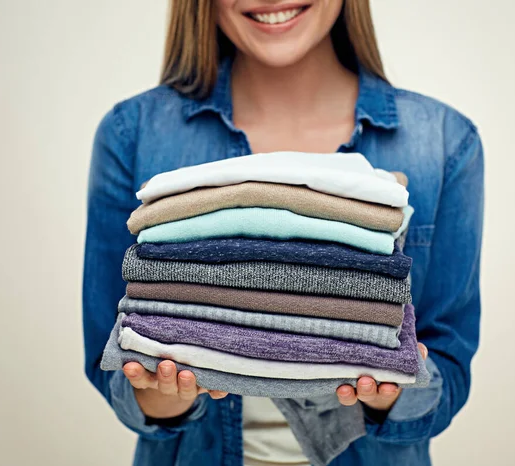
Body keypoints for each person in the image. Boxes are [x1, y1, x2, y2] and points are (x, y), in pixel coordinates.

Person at [83, 1, 484, 465]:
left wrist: (389, 386)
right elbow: (111, 359)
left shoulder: (444, 142)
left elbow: (449, 374)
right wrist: (166, 396)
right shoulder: (132, 134)